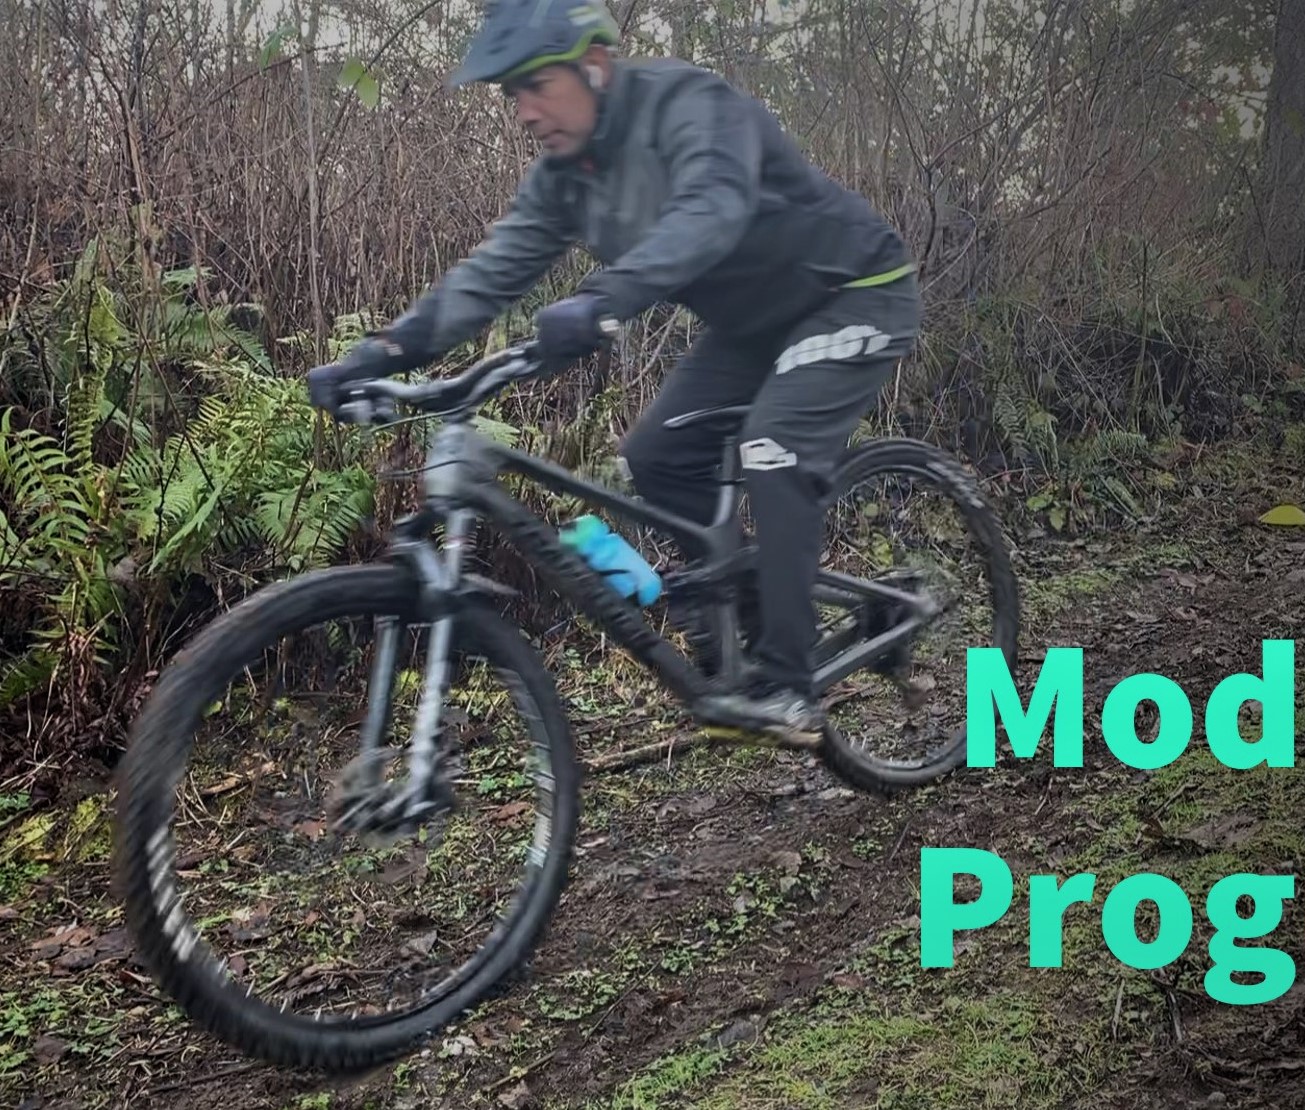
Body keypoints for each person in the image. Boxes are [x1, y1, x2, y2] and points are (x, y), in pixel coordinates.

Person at [305, 0, 920, 742]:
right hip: (754, 327)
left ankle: (790, 684)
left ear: (595, 65)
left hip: (853, 290)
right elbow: (489, 275)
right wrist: (382, 352)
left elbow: (710, 209)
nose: (525, 111)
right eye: (513, 94)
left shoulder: (688, 104)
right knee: (657, 455)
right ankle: (752, 638)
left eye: (537, 84)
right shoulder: (564, 178)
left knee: (773, 447)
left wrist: (600, 301)